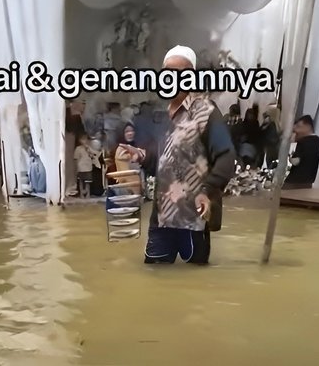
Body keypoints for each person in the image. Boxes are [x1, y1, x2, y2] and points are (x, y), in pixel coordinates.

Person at [119, 45, 236, 265]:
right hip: (162, 217)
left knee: (194, 286)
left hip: (193, 218)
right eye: (167, 72)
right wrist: (142, 156)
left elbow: (227, 157)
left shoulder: (206, 112)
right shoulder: (164, 116)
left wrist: (207, 191)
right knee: (155, 277)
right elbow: (164, 160)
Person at [283, 115, 319, 189]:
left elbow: (295, 161)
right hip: (308, 181)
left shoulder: (303, 142)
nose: (296, 131)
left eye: (298, 127)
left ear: (308, 127)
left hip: (294, 181)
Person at [113, 122, 142, 194]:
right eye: (127, 131)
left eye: (132, 131)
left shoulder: (137, 147)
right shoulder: (121, 149)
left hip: (138, 186)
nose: (130, 133)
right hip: (126, 187)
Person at [74, 134, 99, 198]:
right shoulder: (78, 149)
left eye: (85, 139)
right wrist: (76, 168)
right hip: (81, 167)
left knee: (88, 182)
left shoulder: (89, 148)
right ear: (79, 140)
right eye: (82, 139)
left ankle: (88, 193)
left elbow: (95, 154)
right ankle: (81, 194)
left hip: (88, 167)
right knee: (81, 181)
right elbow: (76, 158)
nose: (84, 141)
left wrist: (88, 149)